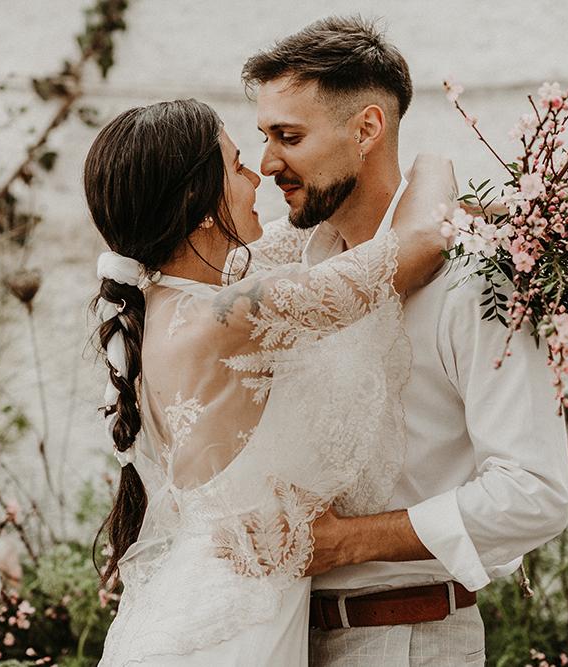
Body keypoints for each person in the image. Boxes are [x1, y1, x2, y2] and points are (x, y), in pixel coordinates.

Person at [240, 16, 568, 666]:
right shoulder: (287, 266)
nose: (268, 163)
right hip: (277, 639)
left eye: (289, 136)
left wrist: (349, 542)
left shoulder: (476, 281)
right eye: (264, 137)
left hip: (410, 640)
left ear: (366, 129)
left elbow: (535, 491)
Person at [86, 98, 455, 665]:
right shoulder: (231, 312)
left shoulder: (175, 305)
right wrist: (431, 161)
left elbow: (302, 237)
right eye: (236, 166)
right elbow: (422, 242)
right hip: (232, 624)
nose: (256, 171)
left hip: (192, 606)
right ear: (197, 201)